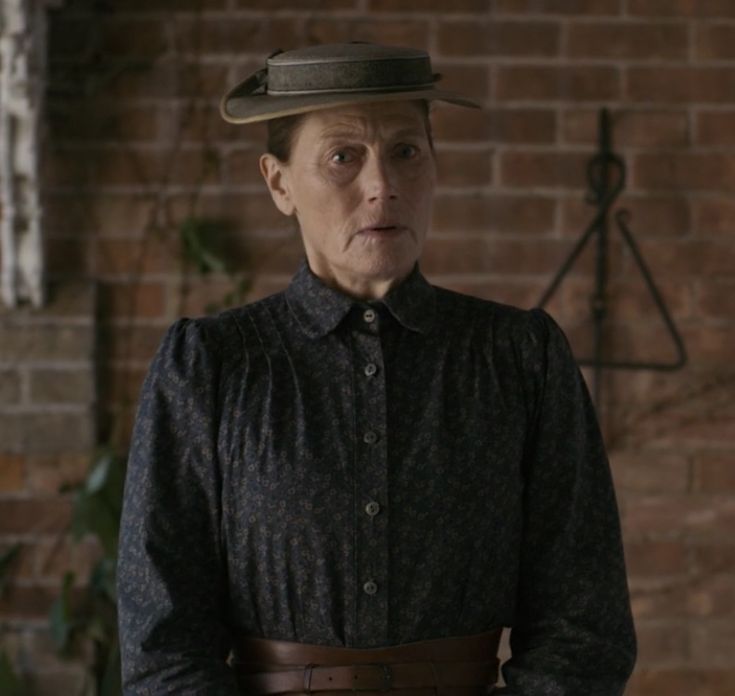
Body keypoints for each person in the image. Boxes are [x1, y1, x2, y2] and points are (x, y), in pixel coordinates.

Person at [117, 42, 636, 695]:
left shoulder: (517, 355)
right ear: (279, 183)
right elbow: (161, 645)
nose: (382, 185)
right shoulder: (212, 366)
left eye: (405, 152)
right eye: (342, 157)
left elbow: (584, 628)